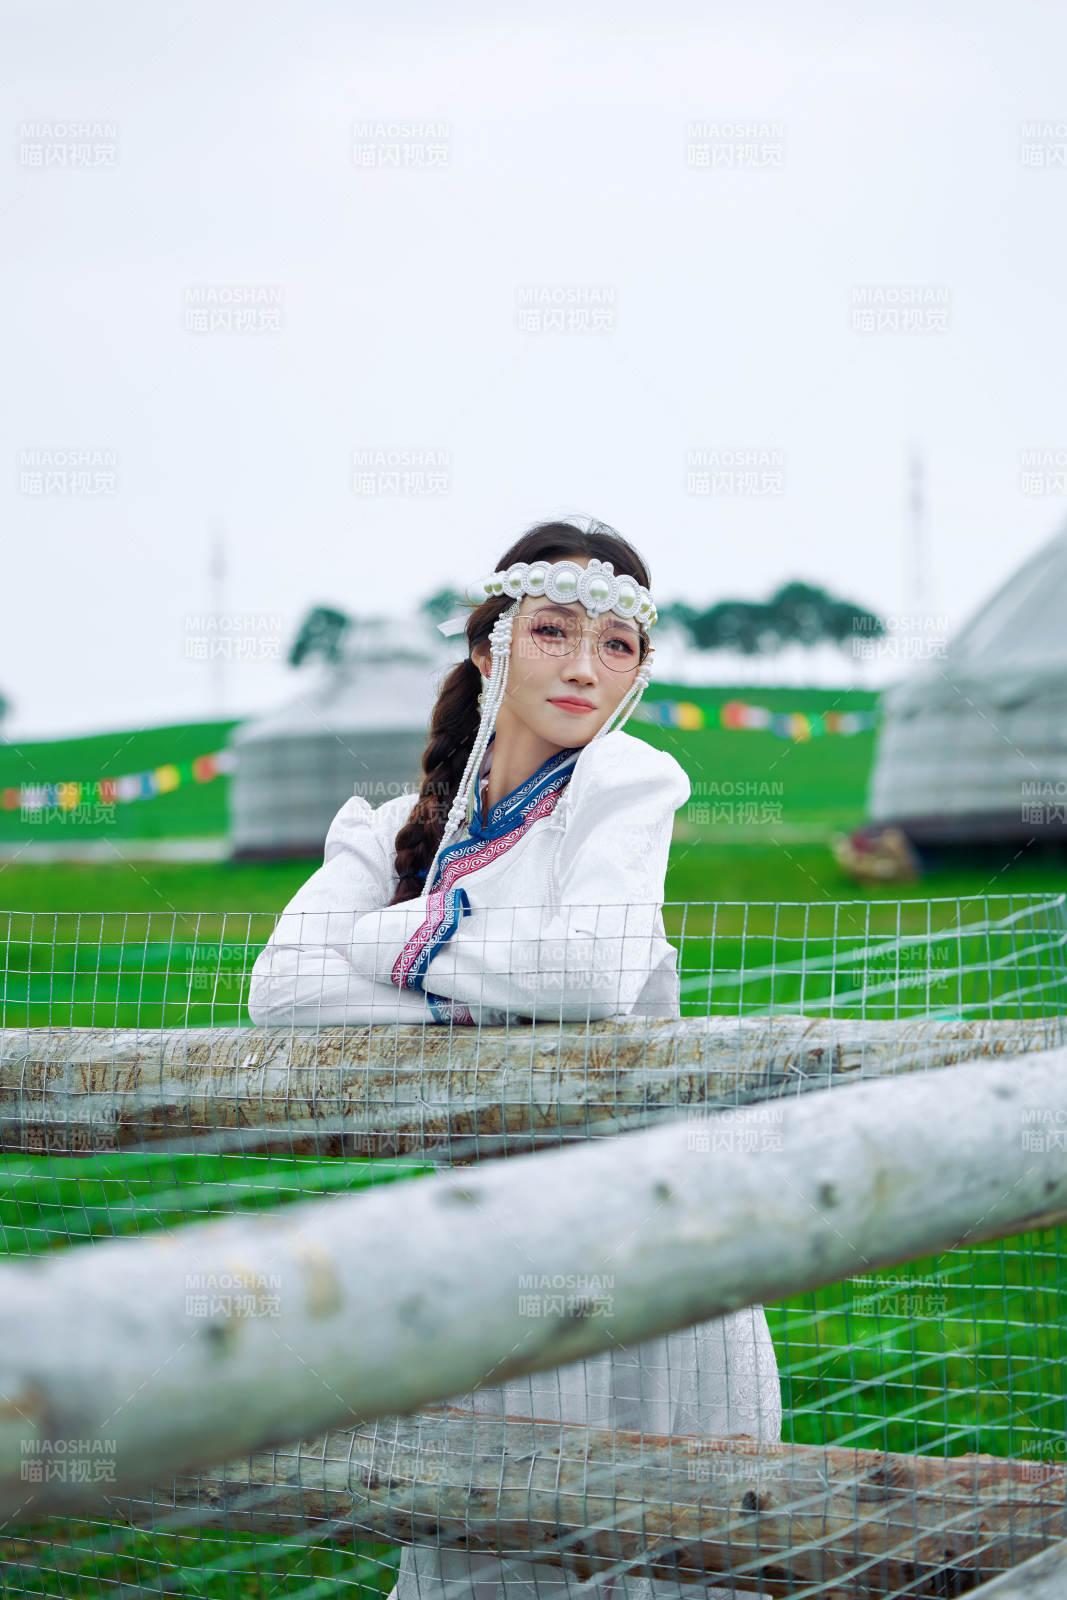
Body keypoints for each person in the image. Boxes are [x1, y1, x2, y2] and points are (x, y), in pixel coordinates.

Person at [247, 518, 783, 1599]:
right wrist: (477, 1009)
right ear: (490, 649)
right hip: (486, 1251)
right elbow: (284, 988)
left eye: (616, 644)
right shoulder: (392, 826)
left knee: (653, 1542)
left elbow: (588, 970)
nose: (585, 666)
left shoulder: (626, 787)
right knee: (492, 1543)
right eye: (552, 631)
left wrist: (395, 944)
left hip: (645, 1240)